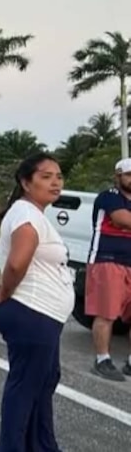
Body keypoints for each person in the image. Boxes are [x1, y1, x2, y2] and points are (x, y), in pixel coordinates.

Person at [0, 152, 74, 452]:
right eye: (46, 177)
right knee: (26, 387)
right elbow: (17, 264)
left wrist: (3, 290)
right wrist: (5, 292)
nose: (55, 182)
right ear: (25, 182)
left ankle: (42, 446)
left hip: (41, 314)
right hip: (32, 312)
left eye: (58, 176)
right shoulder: (26, 214)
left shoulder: (31, 213)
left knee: (43, 382)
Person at [84, 157, 131, 381]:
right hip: (107, 259)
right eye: (129, 175)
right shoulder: (109, 197)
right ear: (118, 176)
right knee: (106, 313)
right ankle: (102, 359)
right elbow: (122, 219)